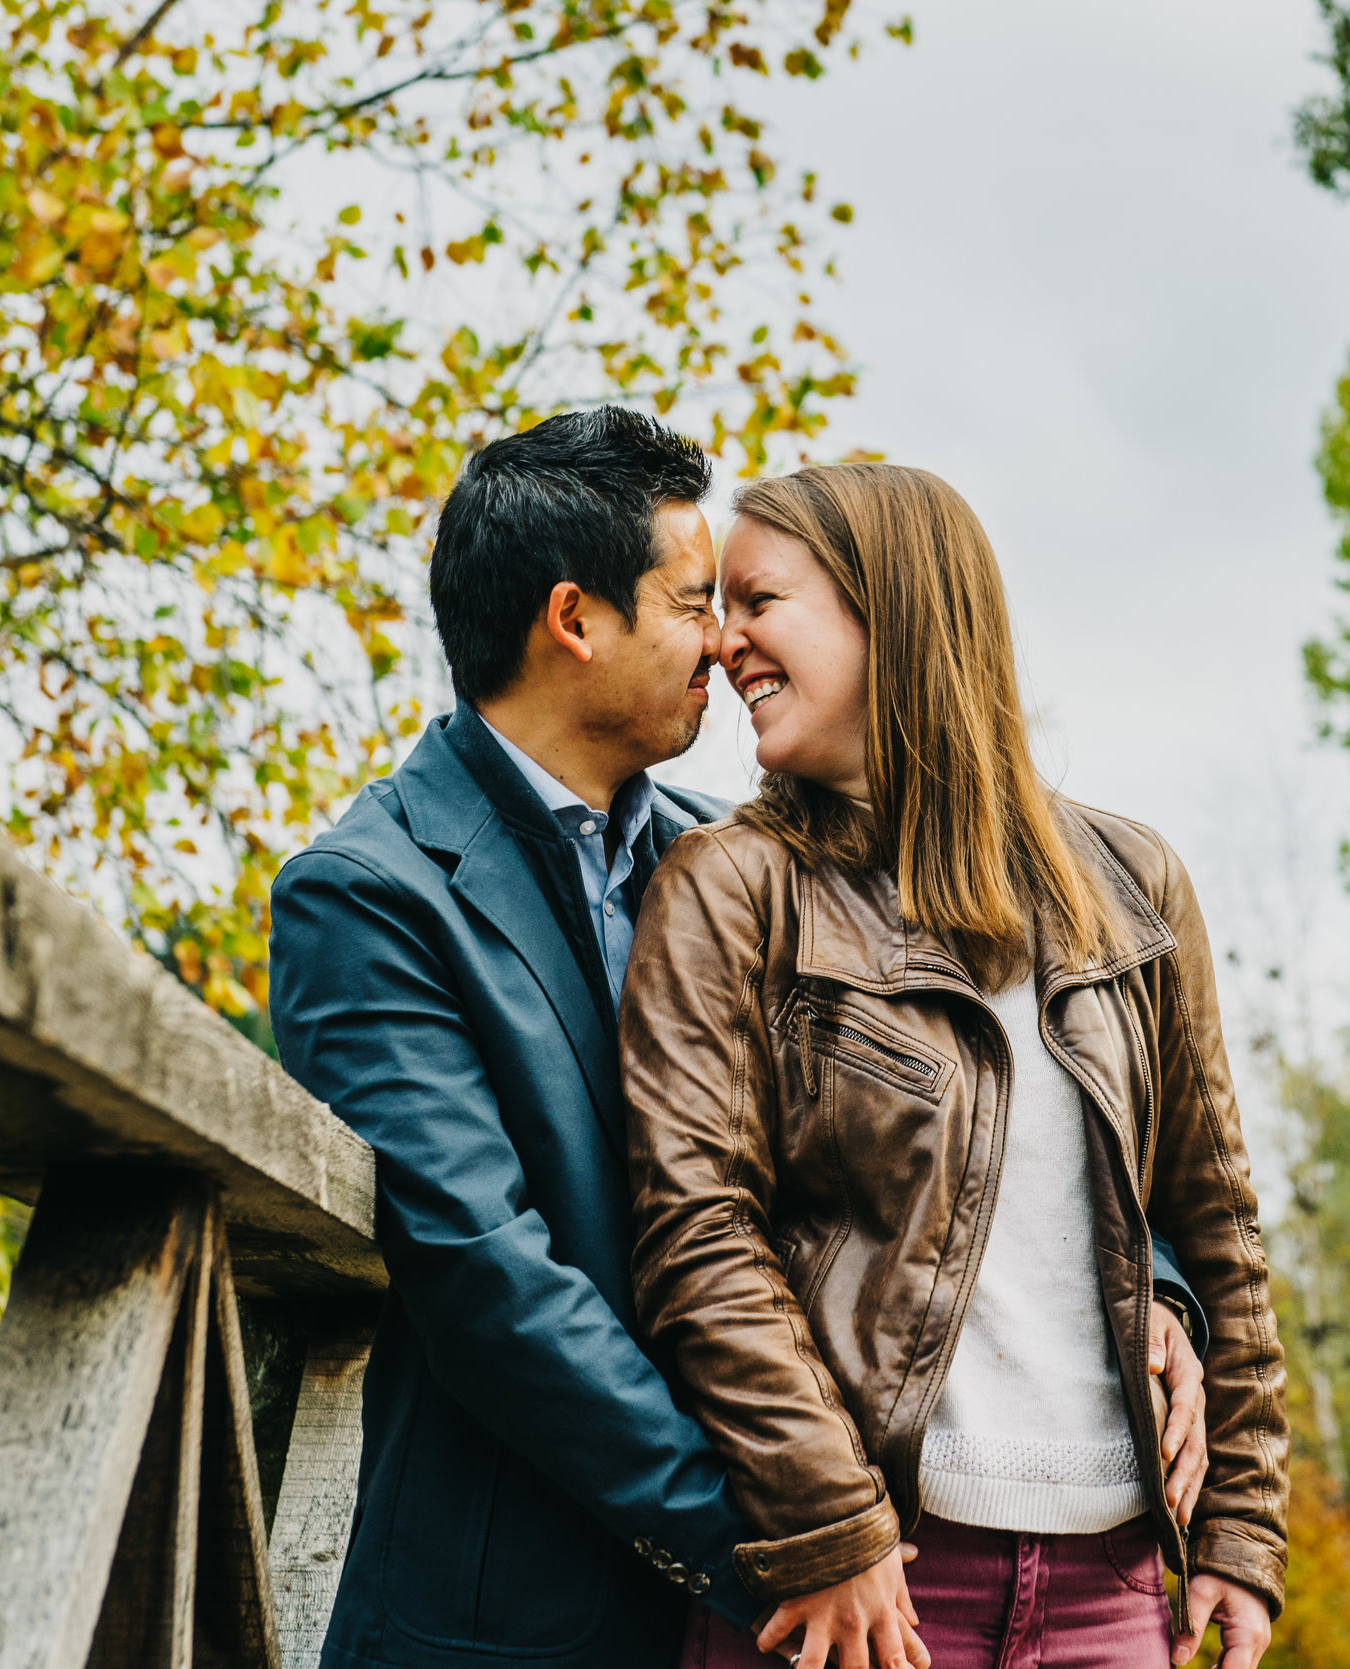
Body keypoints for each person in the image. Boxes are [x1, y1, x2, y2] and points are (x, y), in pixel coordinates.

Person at [268, 410, 1212, 1669]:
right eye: (690, 599)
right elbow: (485, 1274)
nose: (723, 638)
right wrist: (785, 1527)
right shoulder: (371, 892)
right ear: (575, 620)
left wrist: (1151, 1282)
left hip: (768, 1605)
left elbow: (977, 1120)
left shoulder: (735, 862)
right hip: (523, 1612)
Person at [619, 463, 1287, 1669]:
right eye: (717, 608)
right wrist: (828, 1516)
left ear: (893, 608)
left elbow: (1216, 1221)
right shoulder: (730, 888)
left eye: (758, 599)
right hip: (858, 1581)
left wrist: (1242, 1522)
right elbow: (696, 1232)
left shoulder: (1136, 889)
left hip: (1115, 1586)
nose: (721, 643)